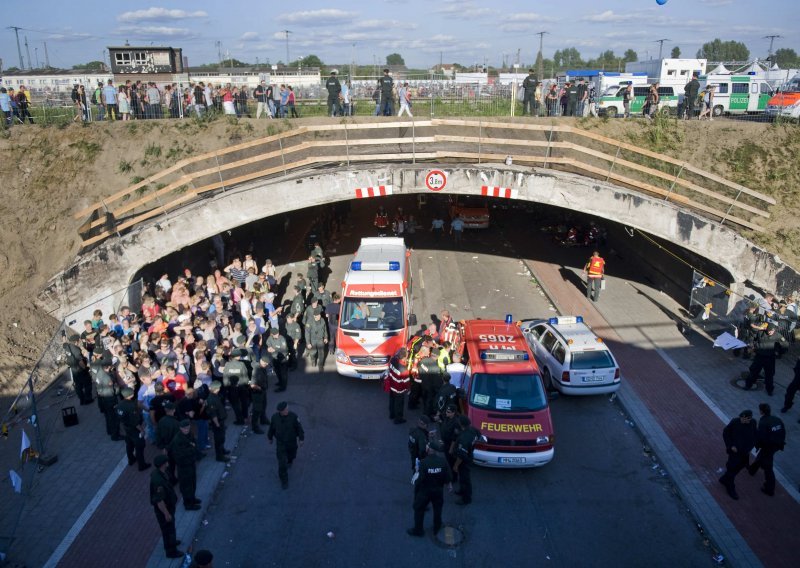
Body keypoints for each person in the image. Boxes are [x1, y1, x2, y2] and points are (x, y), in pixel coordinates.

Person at [407, 440, 453, 537]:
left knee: (419, 509)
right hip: (438, 491)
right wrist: (449, 485)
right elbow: (447, 476)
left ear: (429, 449)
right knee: (437, 509)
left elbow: (418, 480)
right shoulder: (443, 461)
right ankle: (437, 527)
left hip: (425, 492)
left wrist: (416, 470)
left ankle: (418, 530)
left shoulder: (423, 463)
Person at [748, 403, 786, 496]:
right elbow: (783, 431)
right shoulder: (777, 419)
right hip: (777, 444)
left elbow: (761, 438)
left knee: (768, 467)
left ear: (761, 411)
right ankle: (752, 470)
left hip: (769, 446)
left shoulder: (763, 422)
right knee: (762, 456)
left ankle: (770, 488)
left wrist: (757, 445)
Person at [718, 409, 757, 500]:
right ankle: (730, 487)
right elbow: (726, 433)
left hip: (745, 452)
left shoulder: (753, 423)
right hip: (735, 452)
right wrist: (730, 446)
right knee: (732, 467)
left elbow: (755, 434)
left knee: (741, 466)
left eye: (744, 419)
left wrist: (752, 446)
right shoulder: (735, 422)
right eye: (741, 418)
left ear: (749, 419)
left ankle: (724, 479)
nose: (742, 420)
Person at [150, 454, 183, 559]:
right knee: (168, 530)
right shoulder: (158, 481)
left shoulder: (159, 473)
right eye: (166, 462)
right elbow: (159, 501)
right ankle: (171, 551)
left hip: (168, 506)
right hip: (165, 509)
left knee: (169, 529)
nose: (168, 463)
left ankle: (170, 544)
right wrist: (166, 514)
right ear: (163, 464)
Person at [267, 401, 305, 489]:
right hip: (281, 444)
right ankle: (284, 480)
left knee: (292, 455)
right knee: (282, 464)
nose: (287, 410)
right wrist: (270, 437)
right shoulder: (275, 418)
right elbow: (272, 428)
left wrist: (301, 439)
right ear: (281, 411)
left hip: (291, 442)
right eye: (286, 409)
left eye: (287, 408)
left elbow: (299, 428)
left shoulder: (293, 416)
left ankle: (290, 460)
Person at [743, 323, 788, 395]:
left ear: (774, 330)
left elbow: (785, 345)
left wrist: (780, 353)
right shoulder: (761, 333)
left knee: (769, 375)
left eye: (772, 331)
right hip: (759, 356)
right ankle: (748, 385)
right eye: (769, 330)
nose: (770, 332)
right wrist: (751, 345)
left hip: (770, 358)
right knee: (754, 372)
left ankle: (769, 390)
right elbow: (752, 337)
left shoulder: (778, 336)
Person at [170, 419, 202, 510]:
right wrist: (192, 448)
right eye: (184, 428)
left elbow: (194, 444)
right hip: (183, 466)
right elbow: (181, 453)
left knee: (192, 482)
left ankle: (192, 498)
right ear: (180, 428)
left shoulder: (189, 434)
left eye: (188, 428)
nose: (186, 430)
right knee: (186, 485)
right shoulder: (177, 440)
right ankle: (188, 504)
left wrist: (192, 447)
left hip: (190, 463)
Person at [117, 387, 151, 471]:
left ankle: (131, 459)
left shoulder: (120, 404)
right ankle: (141, 465)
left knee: (129, 445)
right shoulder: (131, 406)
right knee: (139, 447)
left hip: (126, 428)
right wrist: (142, 430)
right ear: (131, 395)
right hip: (134, 429)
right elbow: (135, 422)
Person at [92, 359, 122, 441]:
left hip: (102, 399)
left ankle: (110, 431)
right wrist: (117, 388)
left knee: (108, 417)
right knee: (114, 418)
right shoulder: (107, 378)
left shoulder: (99, 373)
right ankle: (115, 435)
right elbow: (112, 391)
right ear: (108, 367)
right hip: (110, 400)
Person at [453, 415, 479, 505]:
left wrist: (456, 466)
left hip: (464, 461)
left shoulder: (463, 438)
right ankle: (462, 490)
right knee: (463, 478)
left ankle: (466, 499)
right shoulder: (473, 430)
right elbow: (479, 436)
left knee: (465, 479)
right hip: (469, 455)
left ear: (461, 424)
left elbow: (461, 455)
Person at [64, 333, 93, 405]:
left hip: (74, 370)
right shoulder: (76, 349)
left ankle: (81, 400)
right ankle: (88, 399)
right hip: (80, 370)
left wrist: (63, 336)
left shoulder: (67, 346)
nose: (79, 342)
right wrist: (85, 368)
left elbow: (64, 343)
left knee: (78, 386)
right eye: (79, 340)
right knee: (87, 384)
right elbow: (80, 361)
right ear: (76, 341)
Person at [155, 402, 180, 483]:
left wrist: (162, 447)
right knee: (179, 464)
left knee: (170, 465)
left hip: (166, 447)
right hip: (175, 448)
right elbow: (178, 437)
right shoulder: (176, 423)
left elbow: (158, 435)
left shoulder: (161, 421)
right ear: (173, 410)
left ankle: (172, 479)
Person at [206, 381, 230, 462]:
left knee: (222, 438)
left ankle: (222, 450)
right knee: (218, 439)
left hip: (221, 421)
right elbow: (213, 414)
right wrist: (217, 424)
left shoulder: (215, 396)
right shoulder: (211, 399)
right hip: (218, 422)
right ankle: (219, 456)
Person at [388, 348, 411, 424]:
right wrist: (409, 389)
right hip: (399, 389)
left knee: (392, 400)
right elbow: (406, 382)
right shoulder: (404, 369)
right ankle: (398, 419)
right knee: (399, 404)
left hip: (392, 385)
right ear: (404, 357)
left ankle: (392, 414)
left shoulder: (393, 360)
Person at [250, 356, 271, 433]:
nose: (267, 365)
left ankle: (263, 419)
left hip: (262, 391)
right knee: (257, 410)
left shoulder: (262, 368)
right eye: (266, 364)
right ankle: (255, 427)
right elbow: (252, 385)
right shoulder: (257, 370)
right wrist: (260, 388)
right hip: (257, 393)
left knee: (264, 405)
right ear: (261, 361)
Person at [265, 326, 289, 391]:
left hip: (282, 358)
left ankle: (283, 387)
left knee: (283, 373)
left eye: (277, 333)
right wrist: (269, 348)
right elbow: (268, 343)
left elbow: (283, 349)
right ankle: (280, 382)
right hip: (275, 358)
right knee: (277, 371)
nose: (277, 334)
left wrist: (274, 349)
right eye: (275, 334)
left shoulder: (282, 339)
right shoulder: (270, 338)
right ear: (272, 334)